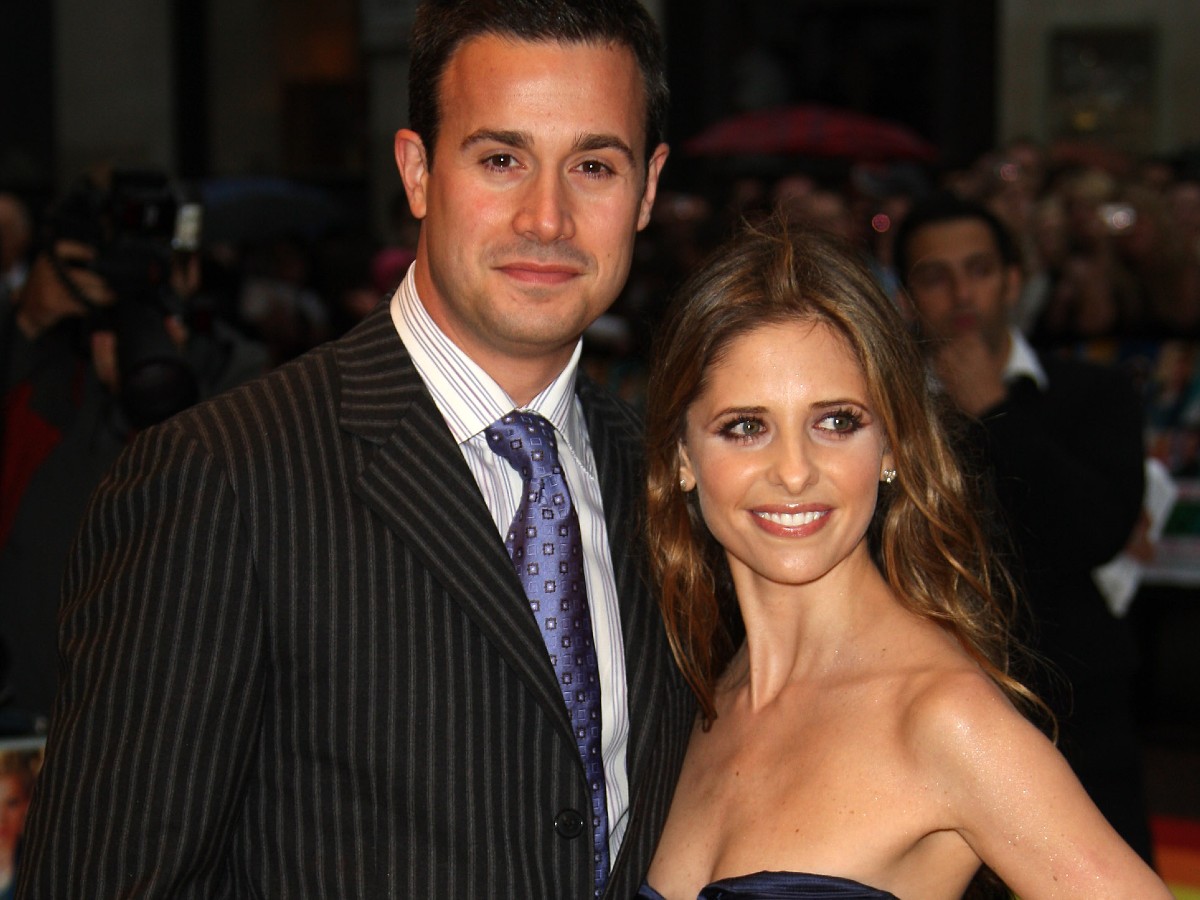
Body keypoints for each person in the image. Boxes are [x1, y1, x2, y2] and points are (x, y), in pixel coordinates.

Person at [16, 1, 692, 897]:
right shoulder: (220, 477)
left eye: (594, 166)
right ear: (416, 172)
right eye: (500, 159)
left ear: (647, 189)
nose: (547, 218)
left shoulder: (672, 481)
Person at [638, 217, 1169, 899]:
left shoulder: (942, 716)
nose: (795, 471)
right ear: (683, 457)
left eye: (837, 422)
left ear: (891, 446)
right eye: (745, 427)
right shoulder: (695, 697)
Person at [891, 193, 1156, 866]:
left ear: (1013, 279)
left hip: (1075, 700)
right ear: (906, 296)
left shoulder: (1094, 394)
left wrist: (994, 411)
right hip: (917, 703)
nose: (960, 292)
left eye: (978, 269)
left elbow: (1095, 529)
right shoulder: (881, 412)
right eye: (934, 275)